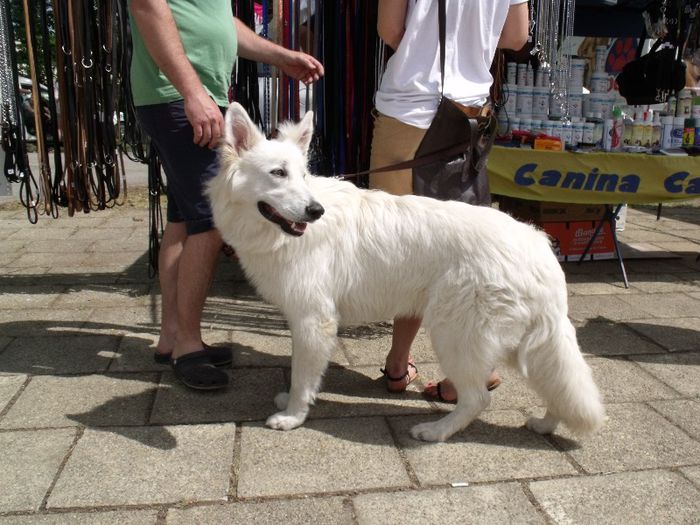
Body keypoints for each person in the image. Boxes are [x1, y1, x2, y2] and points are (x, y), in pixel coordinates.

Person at [129, 0, 323, 390]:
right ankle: (187, 346)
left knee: (184, 220)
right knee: (210, 222)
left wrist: (279, 56)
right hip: (180, 94)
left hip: (192, 94)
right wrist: (192, 90)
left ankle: (173, 336)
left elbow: (218, 21)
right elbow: (147, 6)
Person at [370, 0, 529, 401]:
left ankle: (398, 363)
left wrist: (426, 50)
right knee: (456, 254)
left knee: (403, 252)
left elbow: (390, 30)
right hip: (468, 112)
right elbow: (516, 37)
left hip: (409, 109)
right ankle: (466, 370)